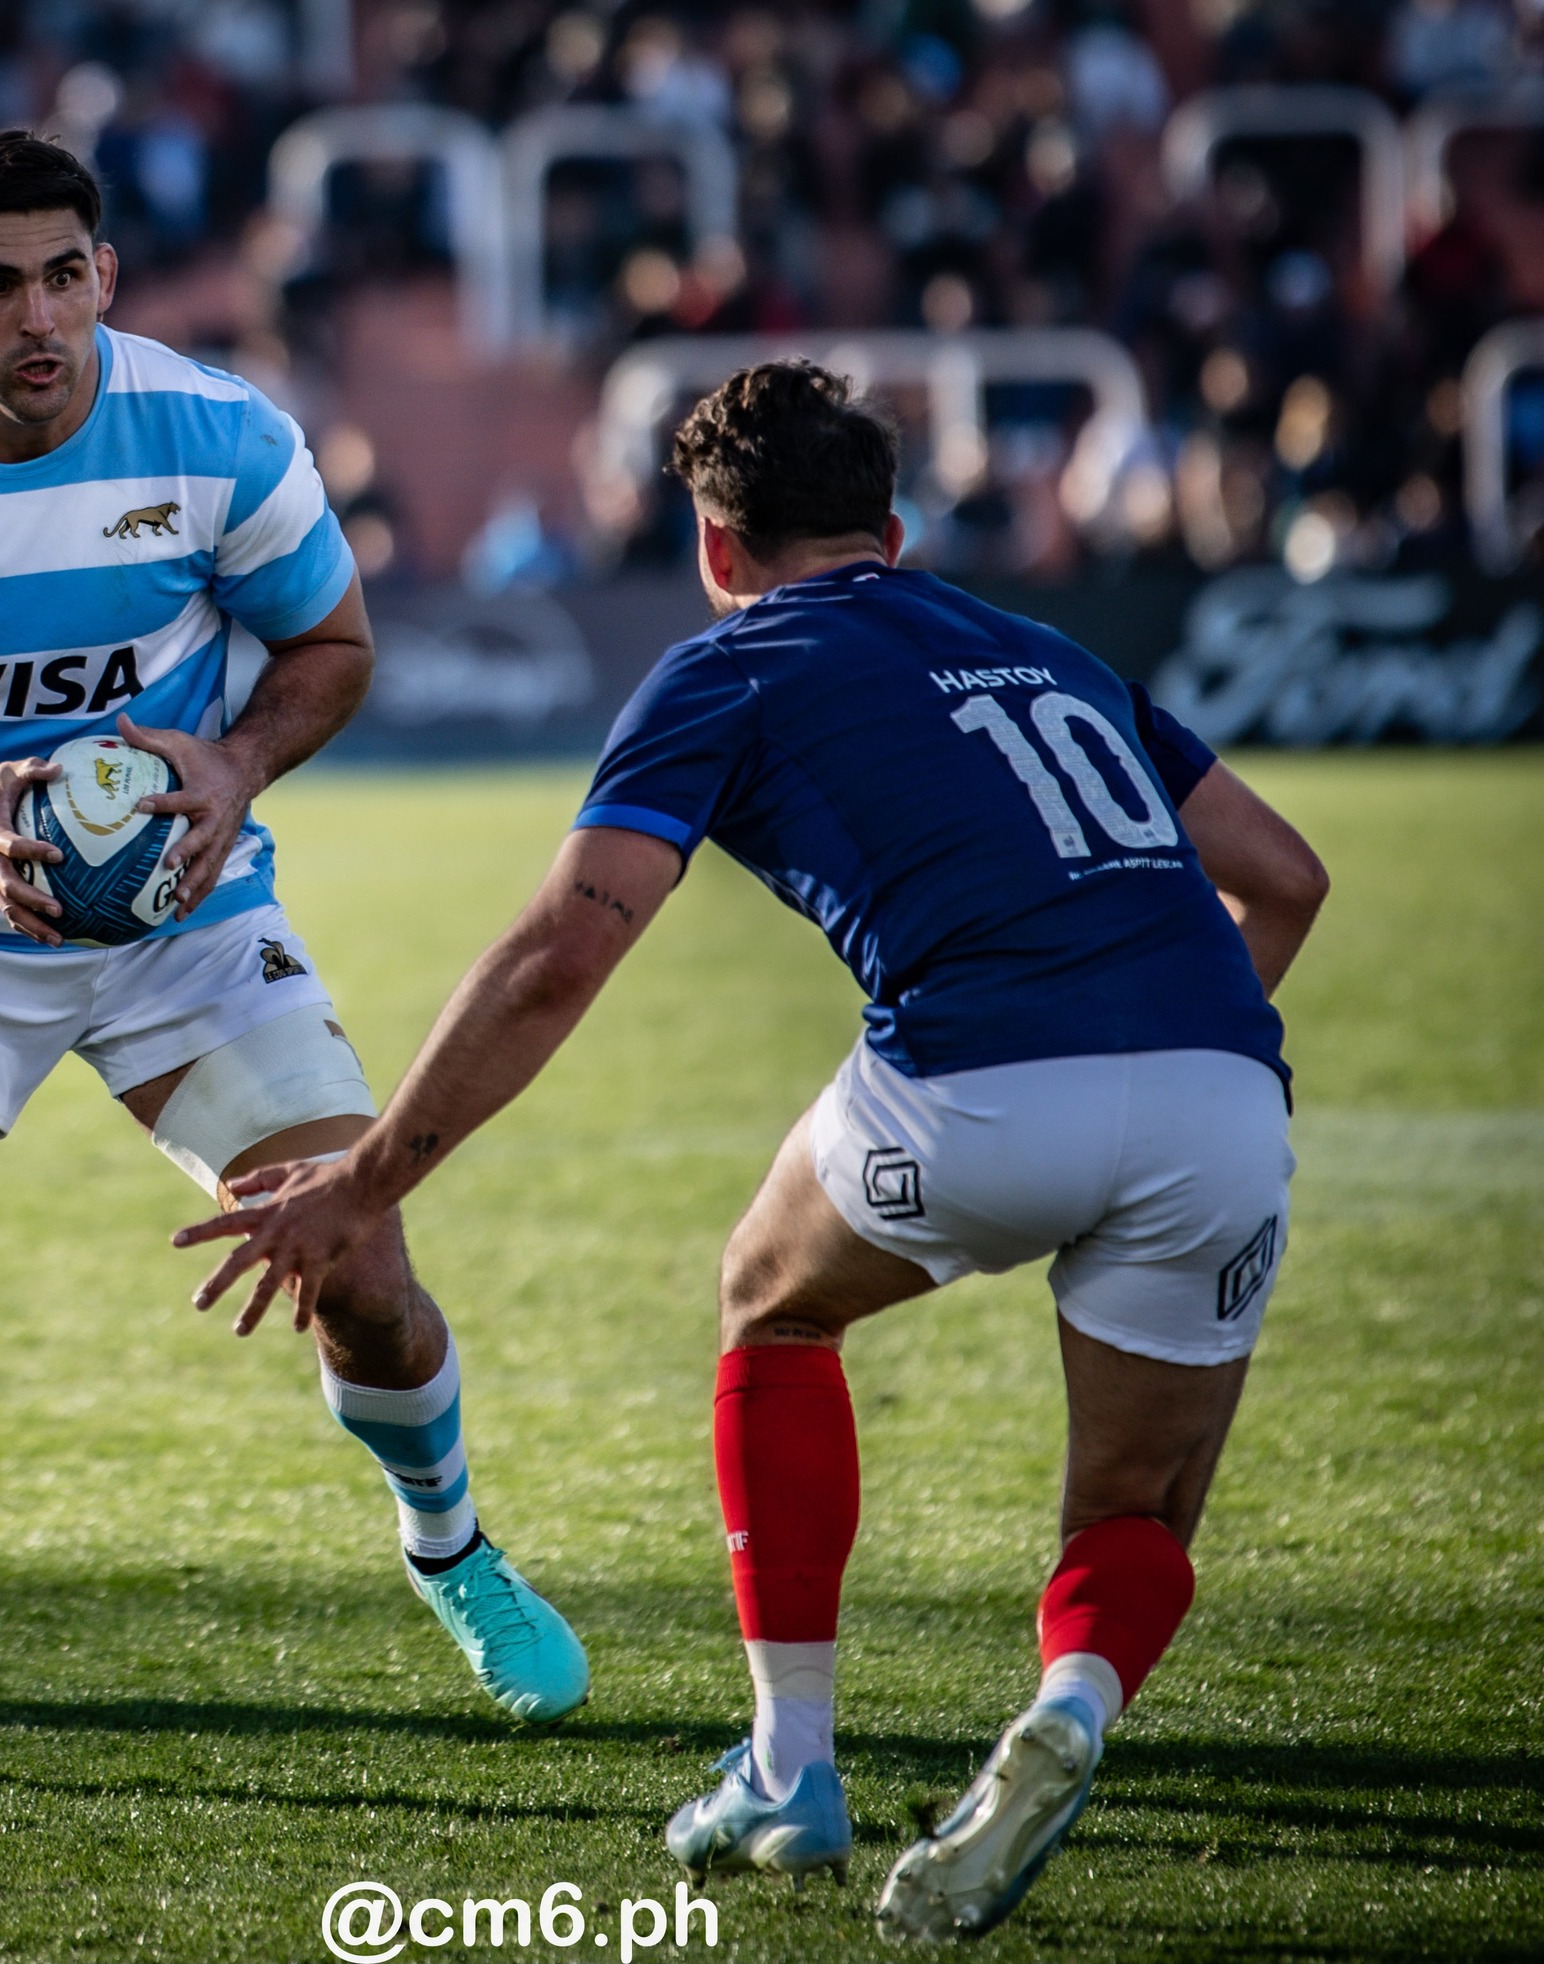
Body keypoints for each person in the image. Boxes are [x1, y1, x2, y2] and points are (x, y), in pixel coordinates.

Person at [177, 362, 1329, 1939]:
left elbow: (556, 960)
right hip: (1221, 1087)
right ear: (894, 533)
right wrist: (1157, 1059)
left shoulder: (726, 665)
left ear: (714, 548)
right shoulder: (1051, 649)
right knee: (1134, 1508)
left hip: (982, 1085)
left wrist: (365, 1179)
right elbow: (1288, 879)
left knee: (771, 1299)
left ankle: (791, 1768)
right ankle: (1071, 1704)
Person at [0, 131, 586, 1803]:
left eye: (65, 277)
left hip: (188, 917)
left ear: (106, 275)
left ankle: (452, 1550)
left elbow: (332, 647)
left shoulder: (222, 436)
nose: (37, 318)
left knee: (363, 1269)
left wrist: (238, 766)